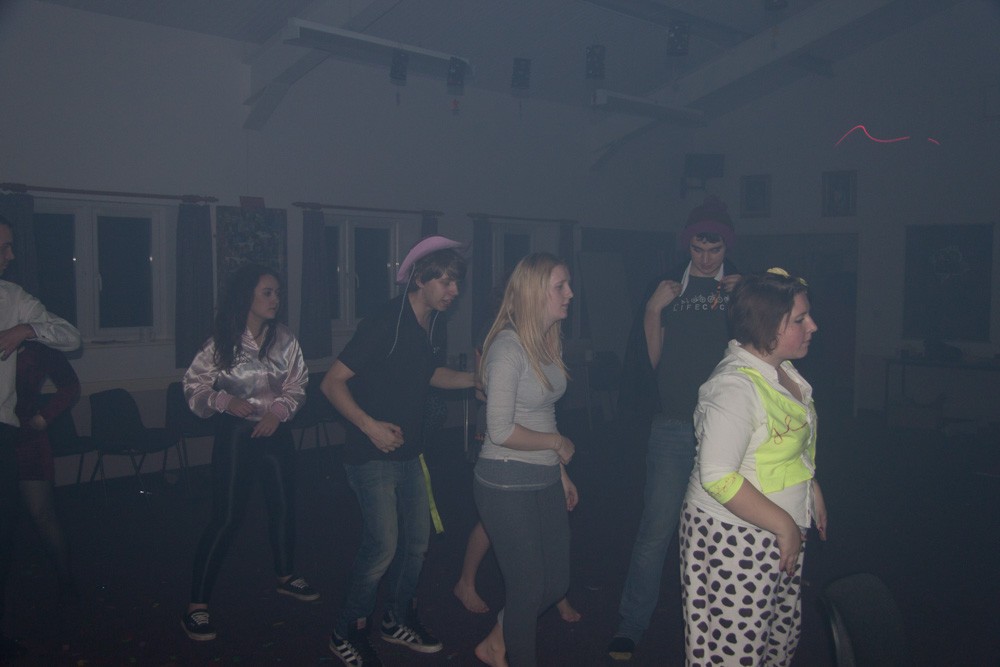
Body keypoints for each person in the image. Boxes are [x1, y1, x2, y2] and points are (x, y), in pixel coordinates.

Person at [322, 236, 476, 667]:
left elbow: (429, 373)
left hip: (410, 454)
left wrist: (475, 379)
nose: (454, 291)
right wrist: (370, 426)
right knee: (382, 548)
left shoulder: (433, 324)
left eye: (456, 282)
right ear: (420, 278)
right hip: (371, 455)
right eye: (446, 281)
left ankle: (396, 618)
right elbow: (331, 383)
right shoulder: (385, 321)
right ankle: (347, 631)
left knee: (416, 545)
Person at [608, 196, 740, 660]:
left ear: (727, 247)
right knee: (655, 529)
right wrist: (651, 311)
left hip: (724, 429)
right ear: (688, 245)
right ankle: (631, 624)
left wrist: (747, 301)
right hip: (671, 426)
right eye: (698, 249)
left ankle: (720, 626)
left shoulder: (741, 290)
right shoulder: (667, 288)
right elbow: (649, 363)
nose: (705, 258)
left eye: (714, 249)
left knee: (722, 532)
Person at [680, 269, 827, 666]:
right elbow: (718, 476)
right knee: (733, 652)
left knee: (775, 641)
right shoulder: (734, 388)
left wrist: (809, 485)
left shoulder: (781, 370)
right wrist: (784, 525)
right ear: (767, 326)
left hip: (775, 531)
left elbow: (780, 442)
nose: (813, 326)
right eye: (800, 319)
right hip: (735, 536)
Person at [181, 264, 315, 642]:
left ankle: (286, 575)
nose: (275, 300)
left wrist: (278, 412)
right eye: (267, 293)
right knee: (226, 517)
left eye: (277, 293)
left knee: (283, 507)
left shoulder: (284, 338)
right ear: (247, 297)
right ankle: (196, 605)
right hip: (237, 436)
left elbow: (298, 384)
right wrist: (224, 400)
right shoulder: (222, 341)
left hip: (276, 432)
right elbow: (193, 386)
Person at [472, 252, 577, 667]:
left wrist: (560, 471)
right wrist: (556, 443)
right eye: (560, 286)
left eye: (568, 285)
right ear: (535, 293)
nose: (570, 294)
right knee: (528, 587)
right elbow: (499, 429)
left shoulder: (549, 339)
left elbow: (543, 410)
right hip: (503, 479)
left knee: (556, 583)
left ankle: (495, 641)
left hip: (544, 474)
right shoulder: (507, 348)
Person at [0, 214, 82, 659]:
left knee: (35, 515)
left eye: (12, 246)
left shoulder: (15, 300)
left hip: (19, 434)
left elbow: (70, 358)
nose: (11, 256)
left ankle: (66, 581)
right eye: (4, 247)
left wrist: (26, 329)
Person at [14, 341, 81, 600]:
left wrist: (45, 415)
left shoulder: (37, 346)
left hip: (25, 438)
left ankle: (65, 579)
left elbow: (70, 385)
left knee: (41, 513)